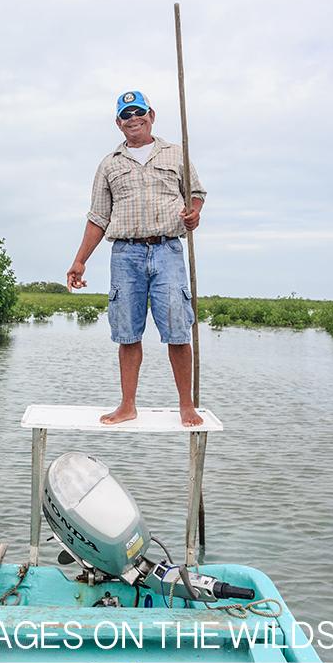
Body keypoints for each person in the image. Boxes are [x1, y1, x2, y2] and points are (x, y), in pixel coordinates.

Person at [67, 91, 206, 427]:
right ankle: (127, 405)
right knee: (127, 333)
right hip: (125, 253)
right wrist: (80, 261)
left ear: (151, 115)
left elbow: (197, 196)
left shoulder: (176, 154)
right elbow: (98, 217)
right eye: (126, 114)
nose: (133, 119)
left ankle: (186, 405)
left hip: (168, 249)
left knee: (178, 330)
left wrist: (194, 215)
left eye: (138, 112)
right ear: (118, 123)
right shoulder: (109, 164)